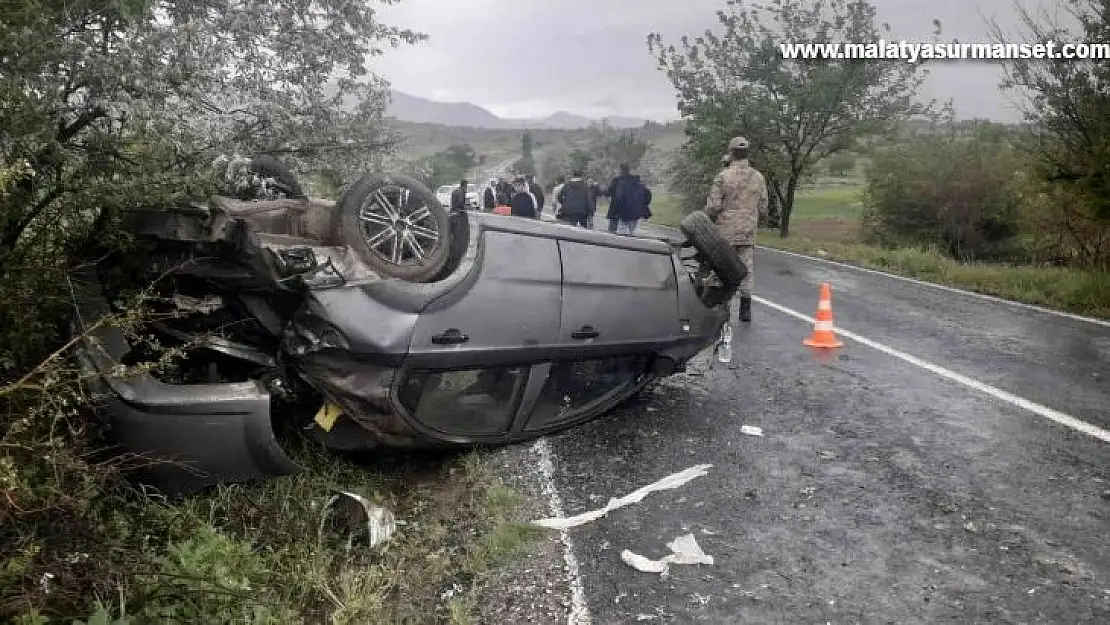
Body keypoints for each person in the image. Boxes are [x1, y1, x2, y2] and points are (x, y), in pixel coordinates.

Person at [706, 136, 769, 323]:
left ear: (731, 152)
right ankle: (745, 309)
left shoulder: (723, 176)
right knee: (746, 269)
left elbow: (713, 207)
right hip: (747, 232)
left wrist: (708, 219)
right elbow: (764, 207)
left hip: (725, 232)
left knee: (720, 268)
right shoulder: (758, 177)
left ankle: (720, 307)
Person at [605, 164, 649, 235]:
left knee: (613, 232)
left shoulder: (617, 181)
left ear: (620, 170)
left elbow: (609, 192)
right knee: (629, 233)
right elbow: (647, 194)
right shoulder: (636, 181)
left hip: (616, 209)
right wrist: (643, 204)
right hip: (632, 211)